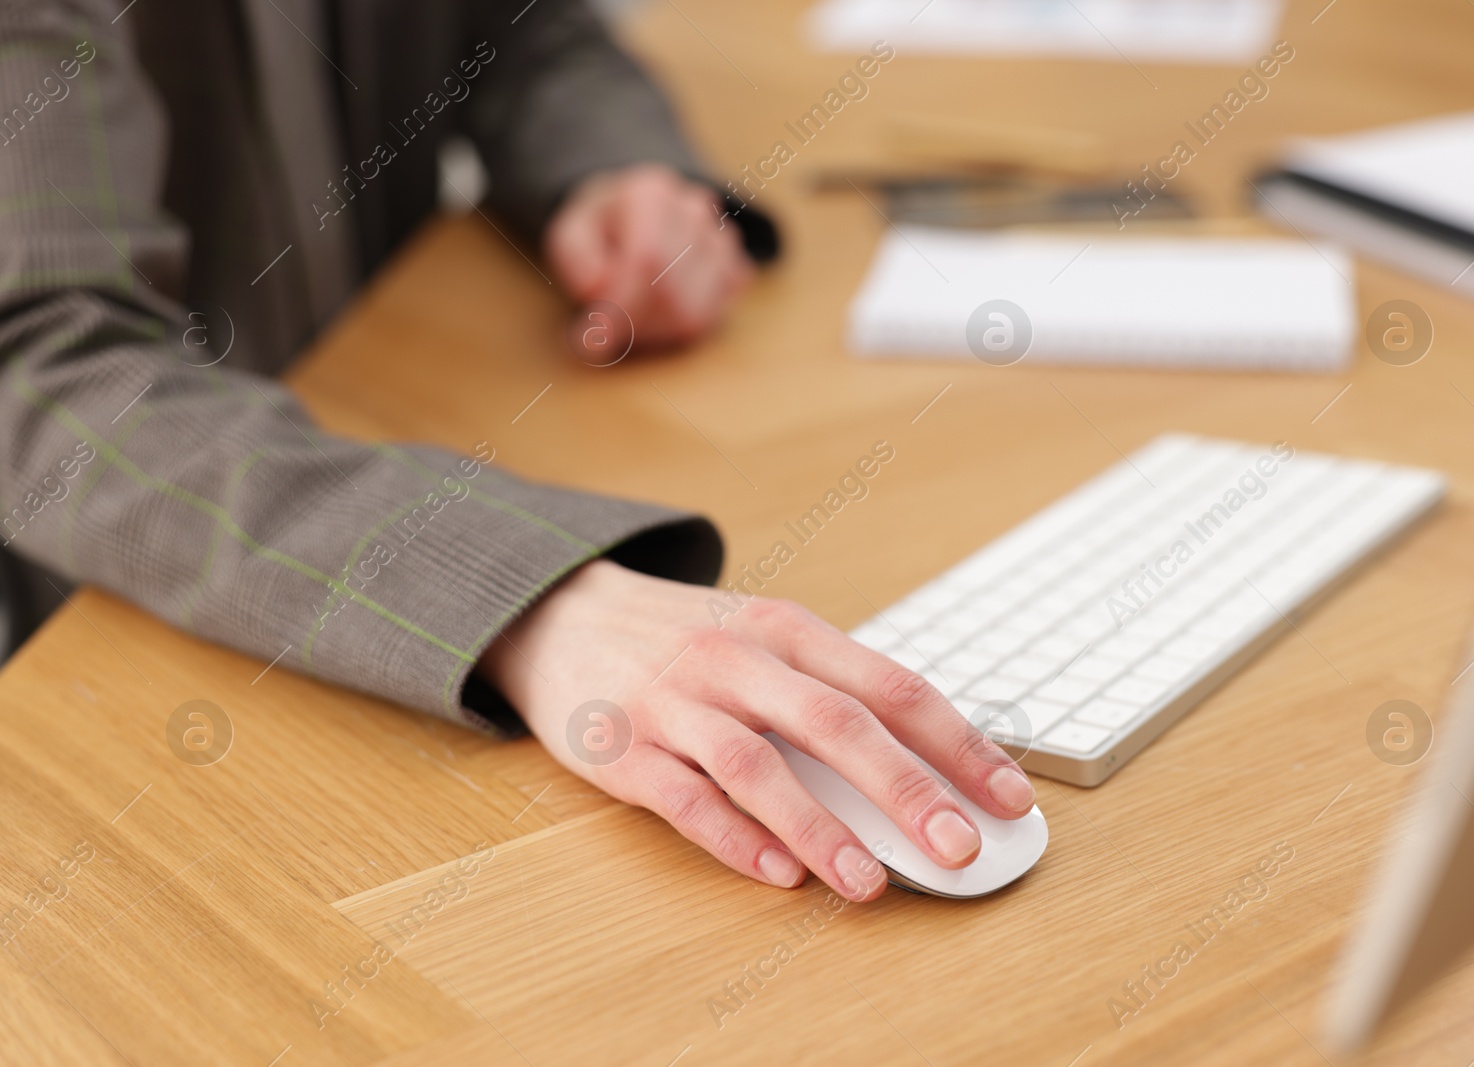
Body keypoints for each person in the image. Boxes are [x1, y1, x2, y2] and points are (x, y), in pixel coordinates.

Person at [0, 0, 1036, 903]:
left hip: (385, 397)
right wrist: (526, 596)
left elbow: (523, 28)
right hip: (102, 649)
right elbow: (38, 370)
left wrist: (609, 172)